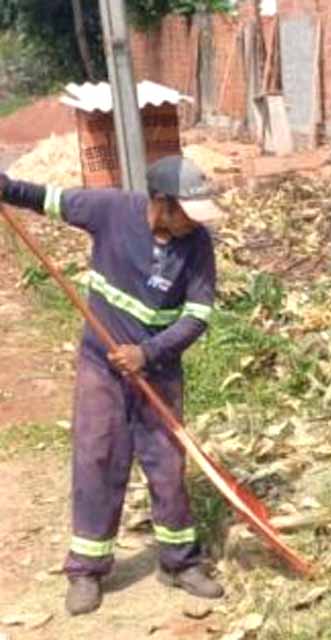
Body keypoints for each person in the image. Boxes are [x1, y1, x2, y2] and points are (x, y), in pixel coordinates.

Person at [0, 156, 226, 615]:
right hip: (101, 368)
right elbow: (42, 198)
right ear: (160, 203)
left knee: (166, 465)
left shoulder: (198, 243)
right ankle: (86, 569)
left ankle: (180, 562)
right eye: (185, 212)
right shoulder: (108, 210)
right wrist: (2, 187)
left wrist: (149, 353)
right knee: (97, 457)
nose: (192, 223)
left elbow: (198, 315)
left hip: (158, 371)